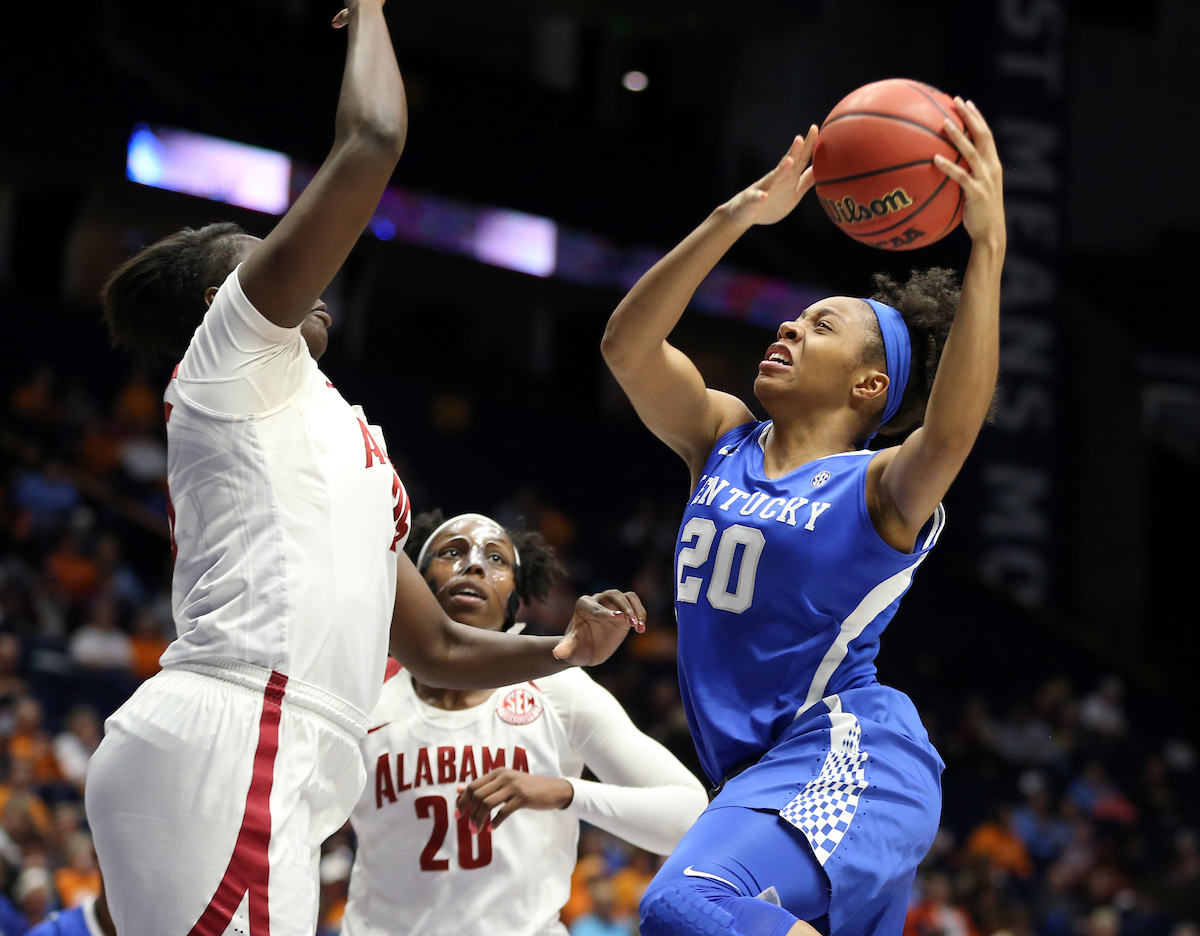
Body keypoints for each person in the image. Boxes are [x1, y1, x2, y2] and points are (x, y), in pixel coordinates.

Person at [86, 4, 641, 934]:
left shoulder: (351, 437)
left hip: (287, 755)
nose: (307, 271)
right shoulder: (226, 358)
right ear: (231, 297)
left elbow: (437, 650)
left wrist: (560, 654)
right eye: (267, 260)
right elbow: (374, 136)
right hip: (244, 729)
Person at [601, 97, 1005, 936]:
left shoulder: (878, 485)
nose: (787, 326)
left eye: (820, 326)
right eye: (792, 316)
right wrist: (737, 215)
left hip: (850, 755)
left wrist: (989, 245)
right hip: (760, 778)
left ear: (869, 388)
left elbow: (956, 428)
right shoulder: (721, 438)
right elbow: (625, 349)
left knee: (684, 905)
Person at [342, 511, 708, 936]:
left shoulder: (559, 688)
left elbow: (689, 815)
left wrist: (564, 791)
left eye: (496, 559)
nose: (475, 564)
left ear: (515, 599)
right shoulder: (363, 690)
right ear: (415, 583)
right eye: (452, 552)